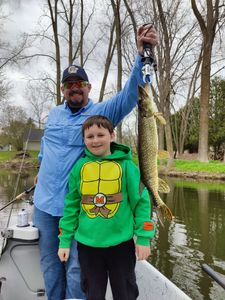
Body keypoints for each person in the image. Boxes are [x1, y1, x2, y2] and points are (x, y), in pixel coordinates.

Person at [32, 24, 158, 300]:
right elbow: (45, 149)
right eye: (69, 85)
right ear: (63, 89)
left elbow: (129, 95)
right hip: (44, 205)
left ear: (88, 87)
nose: (75, 89)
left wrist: (142, 55)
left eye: (80, 84)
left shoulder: (101, 115)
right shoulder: (53, 114)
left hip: (81, 209)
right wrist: (41, 171)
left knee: (78, 270)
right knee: (50, 266)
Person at [58, 115, 156, 300]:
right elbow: (71, 207)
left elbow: (142, 203)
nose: (95, 140)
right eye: (90, 136)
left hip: (121, 245)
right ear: (84, 140)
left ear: (112, 136)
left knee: (125, 293)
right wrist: (64, 241)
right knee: (93, 293)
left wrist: (144, 237)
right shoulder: (78, 168)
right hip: (88, 247)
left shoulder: (128, 166)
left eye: (100, 134)